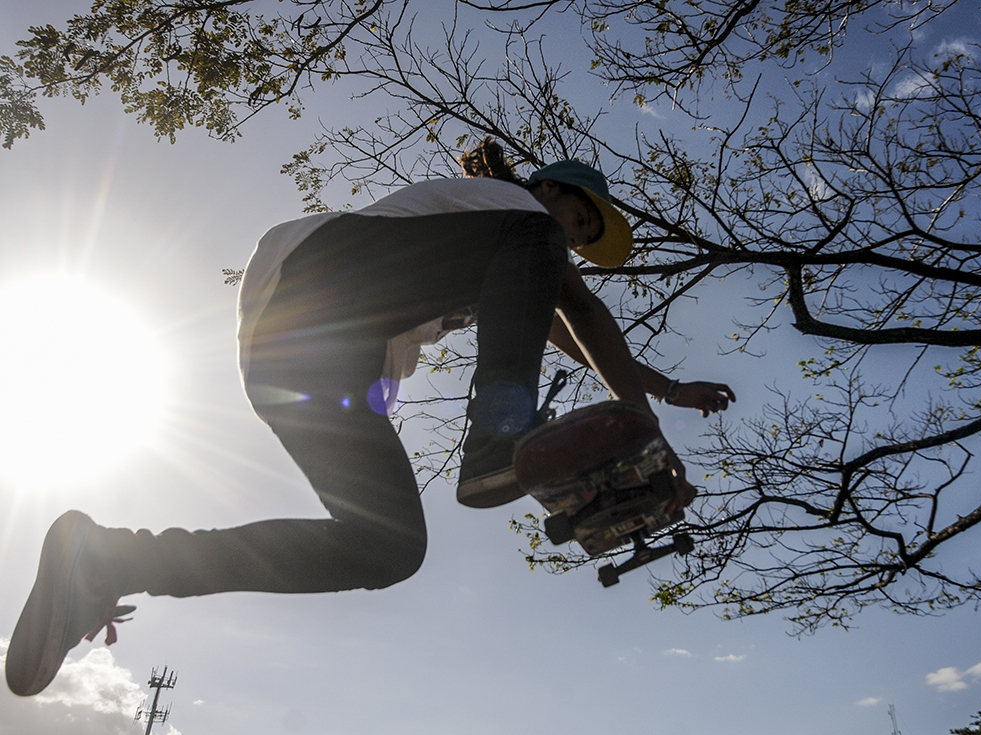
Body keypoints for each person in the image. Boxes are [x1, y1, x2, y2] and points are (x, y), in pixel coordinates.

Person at [5, 139, 735, 698]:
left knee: (388, 548)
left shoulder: (514, 252)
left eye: (576, 240)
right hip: (318, 284)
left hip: (299, 370)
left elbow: (569, 333)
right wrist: (647, 423)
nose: (568, 243)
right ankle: (495, 435)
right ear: (545, 188)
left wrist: (662, 391)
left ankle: (109, 560)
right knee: (532, 247)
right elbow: (583, 309)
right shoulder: (507, 207)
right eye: (573, 221)